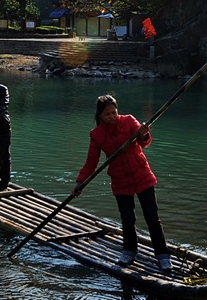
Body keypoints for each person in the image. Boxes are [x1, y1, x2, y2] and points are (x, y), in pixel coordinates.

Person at [72, 95, 171, 273]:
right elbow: (91, 162)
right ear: (100, 115)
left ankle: (162, 255)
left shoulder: (128, 121)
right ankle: (129, 251)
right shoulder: (96, 134)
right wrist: (80, 182)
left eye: (114, 112)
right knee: (127, 219)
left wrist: (144, 134)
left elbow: (145, 142)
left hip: (142, 174)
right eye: (107, 114)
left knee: (152, 218)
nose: (112, 116)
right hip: (120, 179)